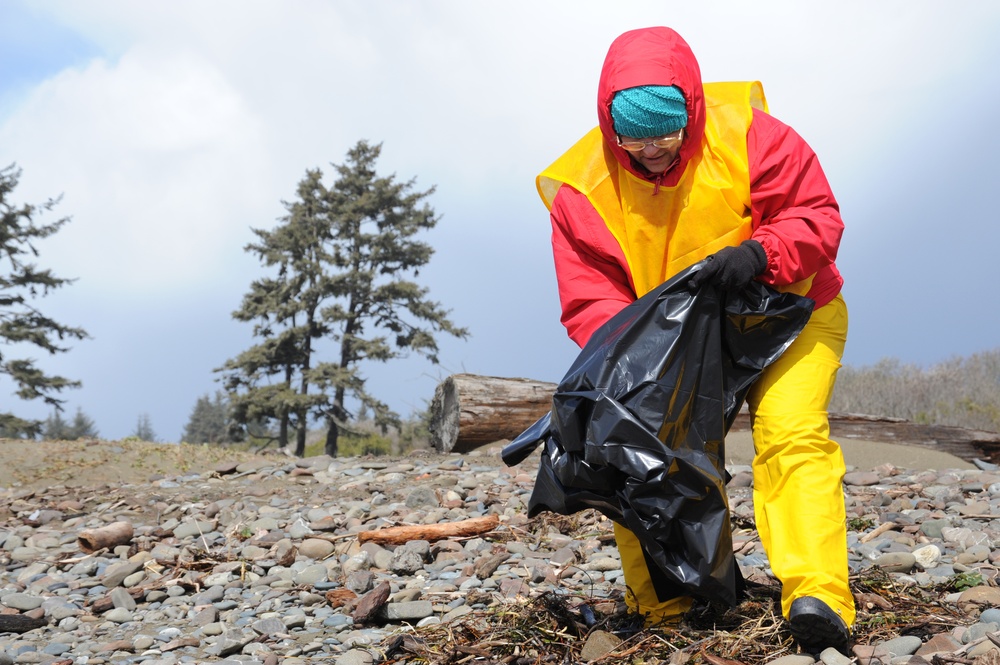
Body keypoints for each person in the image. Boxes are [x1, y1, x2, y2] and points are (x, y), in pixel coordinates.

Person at [536, 27, 852, 655]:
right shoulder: (581, 193)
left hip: (790, 310)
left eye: (666, 134)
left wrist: (761, 253)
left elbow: (818, 217)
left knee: (791, 434)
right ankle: (672, 605)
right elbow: (591, 297)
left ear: (692, 113)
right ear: (609, 125)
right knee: (630, 442)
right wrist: (631, 365)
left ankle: (817, 595)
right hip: (676, 343)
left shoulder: (754, 137)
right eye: (634, 137)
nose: (652, 151)